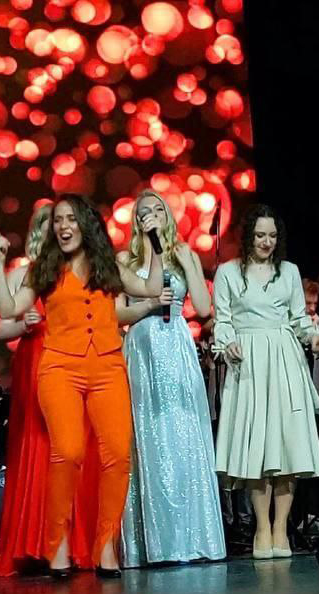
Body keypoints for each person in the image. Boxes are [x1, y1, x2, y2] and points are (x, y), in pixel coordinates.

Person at [0, 194, 163, 577]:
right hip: (60, 368)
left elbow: (152, 287)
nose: (63, 227)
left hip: (107, 366)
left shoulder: (109, 265)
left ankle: (106, 546)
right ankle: (58, 545)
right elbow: (7, 309)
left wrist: (154, 243)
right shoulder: (45, 268)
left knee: (117, 455)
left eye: (70, 219)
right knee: (67, 453)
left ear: (85, 223)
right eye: (58, 220)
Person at [0, 205, 100, 576]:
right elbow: (3, 327)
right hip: (38, 362)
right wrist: (25, 324)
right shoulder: (27, 273)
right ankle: (42, 544)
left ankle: (77, 543)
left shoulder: (80, 271)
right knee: (41, 448)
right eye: (52, 225)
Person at [116, 190, 226, 568]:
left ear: (167, 215)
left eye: (157, 210)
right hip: (142, 347)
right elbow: (117, 314)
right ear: (136, 222)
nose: (151, 215)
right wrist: (148, 303)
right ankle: (151, 545)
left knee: (182, 434)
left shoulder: (184, 254)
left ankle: (191, 540)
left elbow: (203, 306)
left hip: (176, 345)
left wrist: (186, 261)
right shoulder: (125, 261)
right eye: (143, 212)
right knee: (147, 435)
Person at [213, 204, 319, 560]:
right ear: (248, 236)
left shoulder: (289, 271)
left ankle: (280, 528)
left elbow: (299, 319)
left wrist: (314, 337)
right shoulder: (228, 272)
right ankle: (262, 527)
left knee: (286, 444)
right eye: (260, 235)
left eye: (272, 236)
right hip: (249, 363)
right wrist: (227, 343)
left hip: (284, 360)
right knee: (257, 447)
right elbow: (222, 320)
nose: (266, 242)